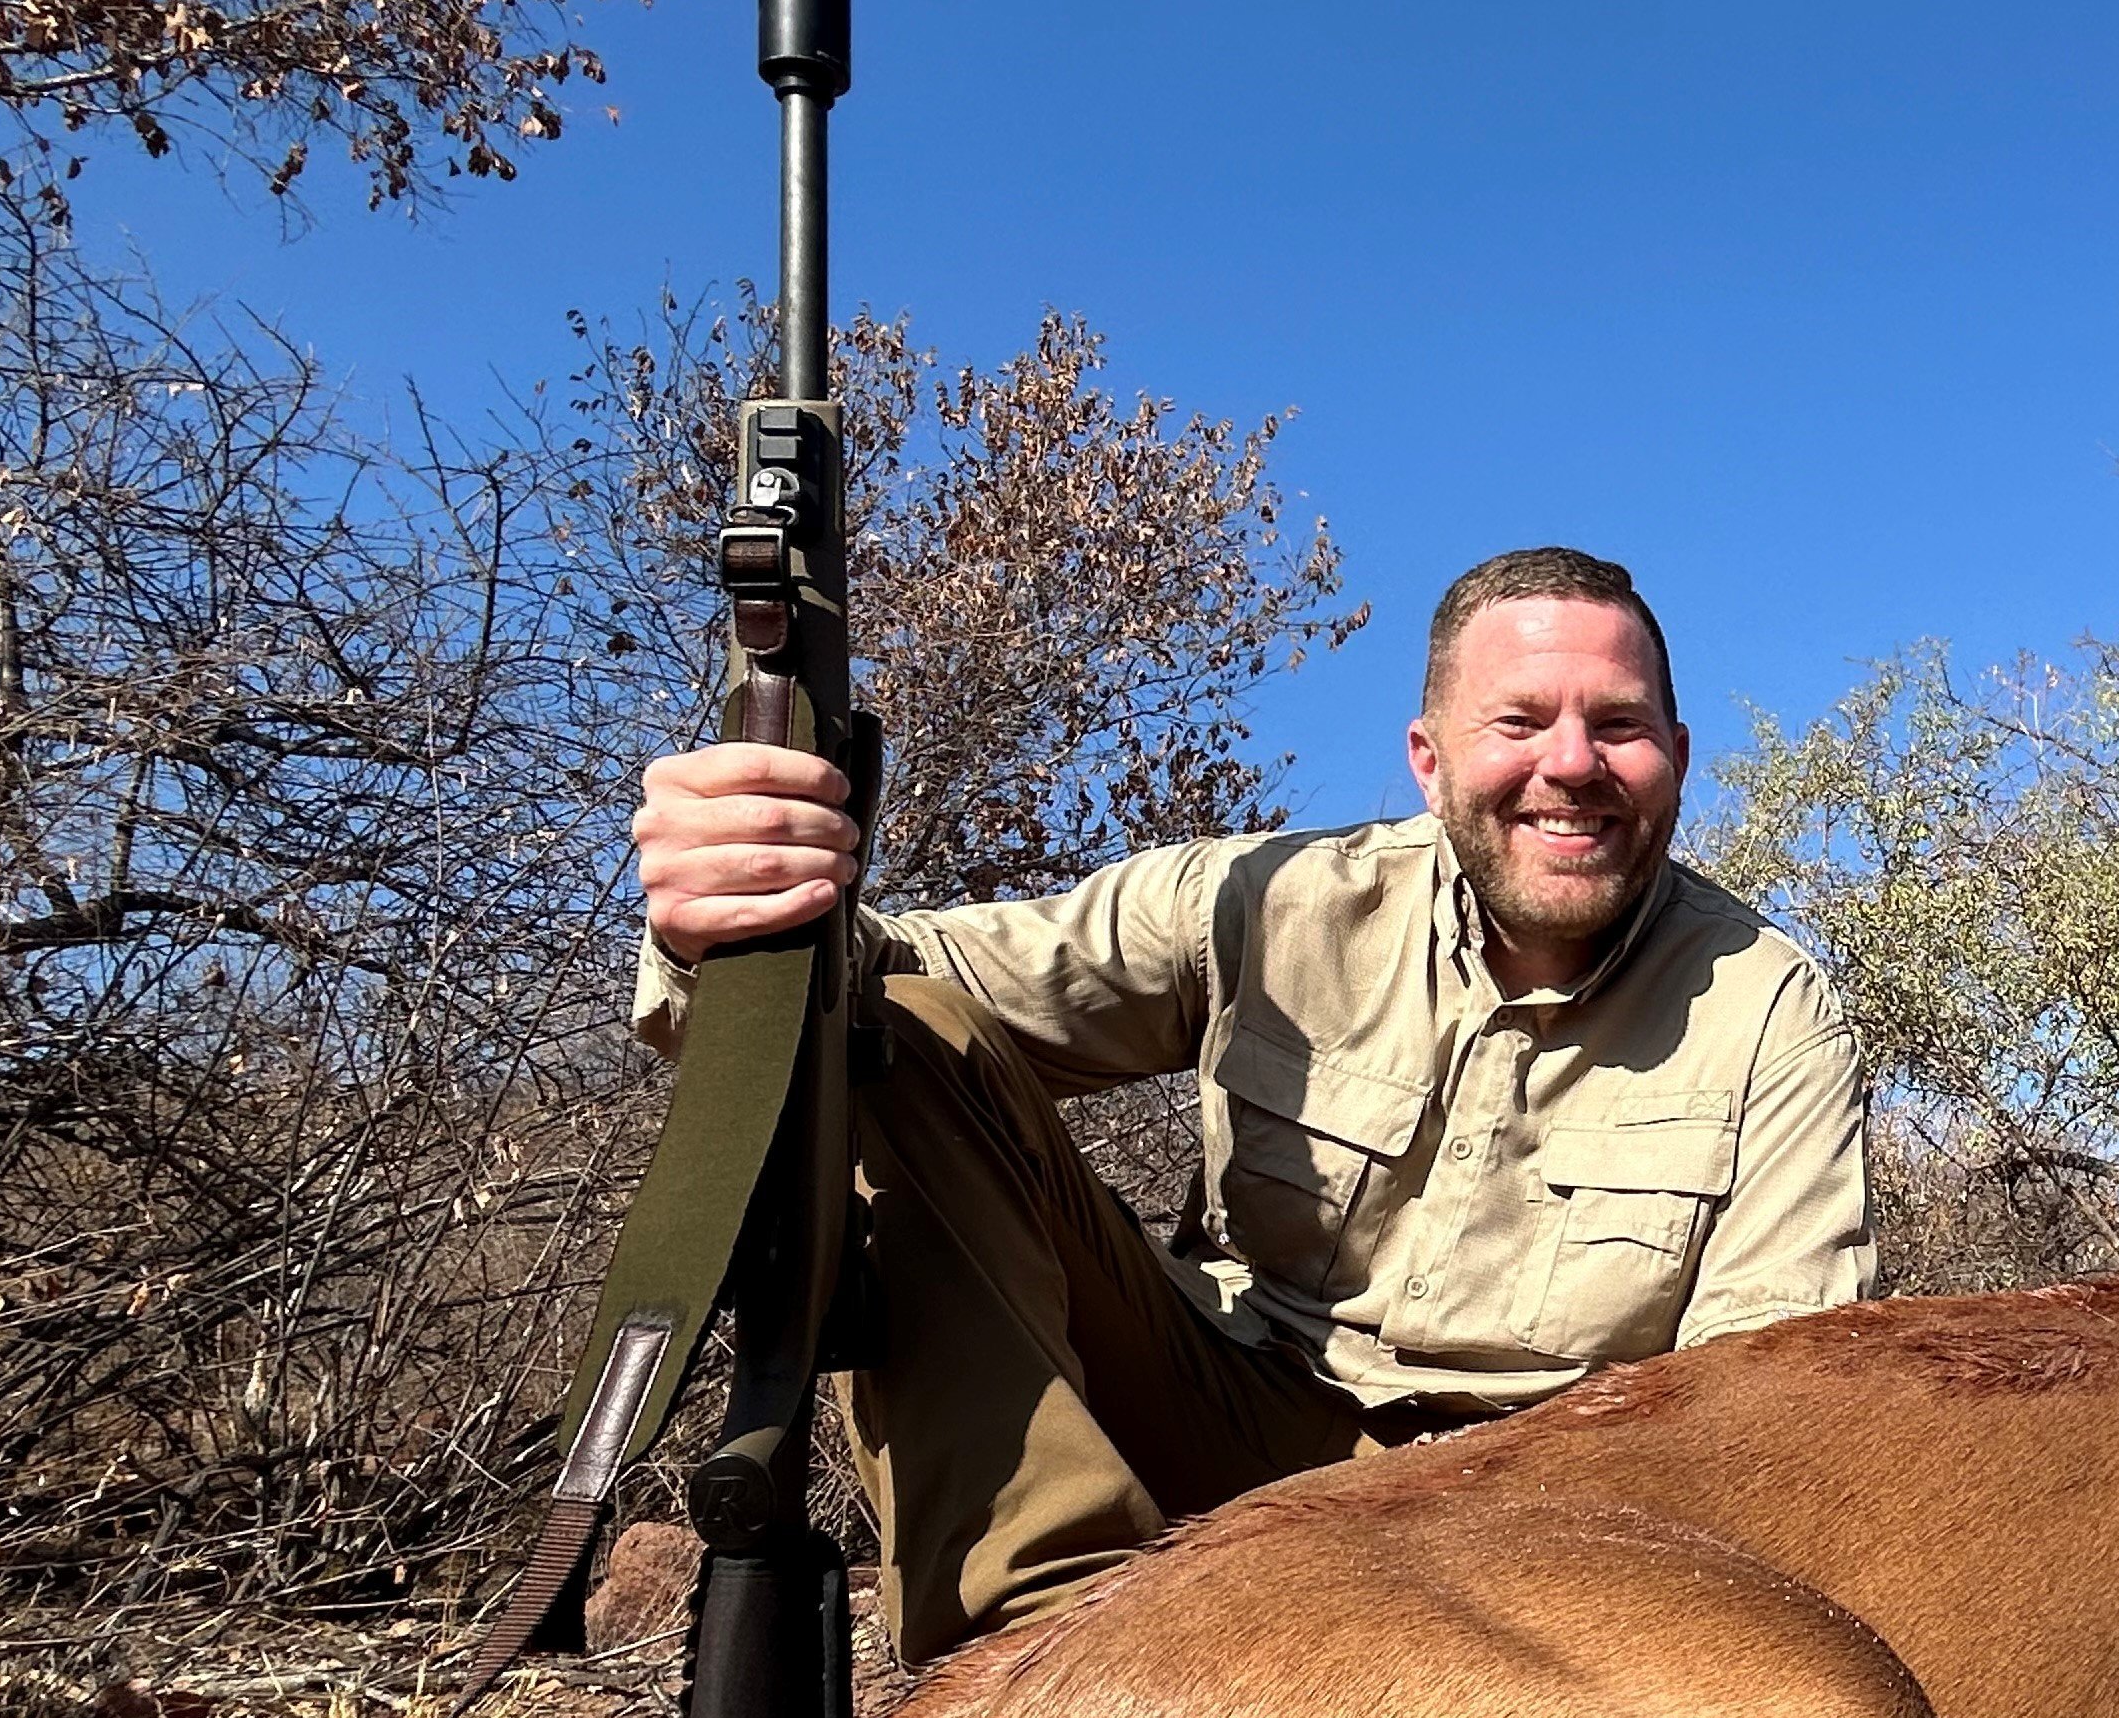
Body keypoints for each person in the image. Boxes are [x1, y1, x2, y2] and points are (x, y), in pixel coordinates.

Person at [628, 544, 1876, 1661]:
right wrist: (737, 913)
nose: (1570, 764)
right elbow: (879, 984)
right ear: (1429, 762)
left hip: (1538, 1524)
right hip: (1230, 1423)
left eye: (1619, 723)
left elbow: (1755, 1418)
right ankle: (1038, 1668)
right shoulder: (1261, 900)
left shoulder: (1773, 1008)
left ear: (1678, 757)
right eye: (1520, 721)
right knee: (899, 1034)